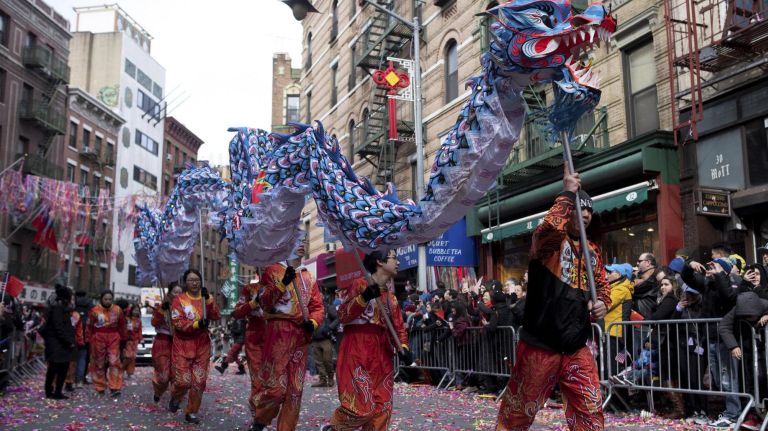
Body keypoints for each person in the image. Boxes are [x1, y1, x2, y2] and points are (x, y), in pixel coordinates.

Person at [496, 165, 610, 431]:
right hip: (540, 344)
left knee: (591, 412)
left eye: (589, 209)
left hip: (575, 346)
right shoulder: (547, 245)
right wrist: (566, 193)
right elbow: (547, 231)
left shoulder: (593, 251)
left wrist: (603, 302)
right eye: (579, 208)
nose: (585, 214)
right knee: (519, 412)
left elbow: (603, 286)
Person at [321, 250, 411, 431]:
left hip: (382, 353)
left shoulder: (391, 298)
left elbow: (399, 328)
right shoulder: (359, 285)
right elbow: (343, 315)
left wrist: (404, 348)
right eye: (394, 257)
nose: (398, 262)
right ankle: (334, 428)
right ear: (380, 261)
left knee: (382, 407)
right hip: (357, 349)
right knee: (362, 406)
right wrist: (364, 298)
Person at [251, 245, 325, 431]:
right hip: (278, 333)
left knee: (295, 390)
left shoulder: (308, 276)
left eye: (305, 239)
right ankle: (261, 419)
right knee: (275, 389)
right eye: (297, 238)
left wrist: (313, 323)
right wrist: (283, 283)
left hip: (301, 336)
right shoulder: (272, 270)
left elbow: (317, 307)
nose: (302, 243)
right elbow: (265, 302)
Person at [169, 269, 221, 424]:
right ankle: (176, 396)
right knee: (183, 382)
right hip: (183, 345)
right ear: (186, 282)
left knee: (199, 381)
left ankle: (192, 411)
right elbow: (177, 322)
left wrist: (209, 300)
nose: (194, 282)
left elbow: (216, 315)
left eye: (197, 279)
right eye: (191, 280)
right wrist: (197, 323)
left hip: (201, 344)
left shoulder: (206, 298)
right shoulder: (179, 300)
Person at [231, 277, 267, 430]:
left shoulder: (286, 283)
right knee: (259, 379)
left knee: (277, 382)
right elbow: (237, 312)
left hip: (278, 336)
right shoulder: (250, 288)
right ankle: (259, 418)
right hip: (255, 337)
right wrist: (254, 302)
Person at [86, 290, 127, 397]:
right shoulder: (94, 310)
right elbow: (89, 326)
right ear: (101, 299)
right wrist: (88, 339)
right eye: (106, 299)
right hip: (98, 338)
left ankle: (115, 387)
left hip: (114, 337)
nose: (108, 301)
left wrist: (124, 338)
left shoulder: (118, 310)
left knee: (114, 362)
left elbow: (122, 325)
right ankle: (100, 387)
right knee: (99, 363)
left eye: (110, 299)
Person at [42, 285, 76, 400]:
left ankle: (58, 391)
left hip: (62, 344)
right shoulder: (58, 308)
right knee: (54, 368)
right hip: (56, 343)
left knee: (63, 367)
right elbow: (58, 327)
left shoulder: (64, 308)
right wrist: (68, 341)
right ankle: (49, 391)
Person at [151, 281, 182, 403]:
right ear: (169, 293)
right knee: (163, 375)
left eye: (180, 292)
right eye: (175, 292)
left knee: (177, 374)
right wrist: (162, 311)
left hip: (178, 343)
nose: (178, 295)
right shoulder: (161, 307)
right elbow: (154, 322)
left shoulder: (185, 308)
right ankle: (158, 391)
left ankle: (175, 398)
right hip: (162, 342)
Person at [311, 294, 339, 388]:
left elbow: (338, 318)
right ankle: (323, 380)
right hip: (315, 338)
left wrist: (329, 327)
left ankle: (330, 378)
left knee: (327, 360)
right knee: (318, 361)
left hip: (326, 338)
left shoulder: (328, 308)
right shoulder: (311, 308)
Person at [64, 298, 86, 392]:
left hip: (72, 342)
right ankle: (62, 383)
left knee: (71, 364)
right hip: (65, 342)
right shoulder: (60, 313)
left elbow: (79, 331)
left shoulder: (76, 315)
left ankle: (69, 382)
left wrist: (80, 342)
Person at [632, 252, 659, 318]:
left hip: (646, 316)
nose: (637, 263)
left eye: (639, 261)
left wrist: (633, 278)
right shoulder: (642, 275)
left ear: (648, 263)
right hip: (642, 316)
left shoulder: (654, 277)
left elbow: (634, 289)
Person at [123, 305, 142, 379]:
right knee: (128, 356)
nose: (136, 312)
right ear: (131, 311)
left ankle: (130, 373)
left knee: (133, 358)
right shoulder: (127, 319)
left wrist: (140, 338)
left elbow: (140, 330)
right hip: (128, 340)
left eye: (137, 310)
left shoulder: (138, 321)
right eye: (135, 310)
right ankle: (121, 369)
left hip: (135, 341)